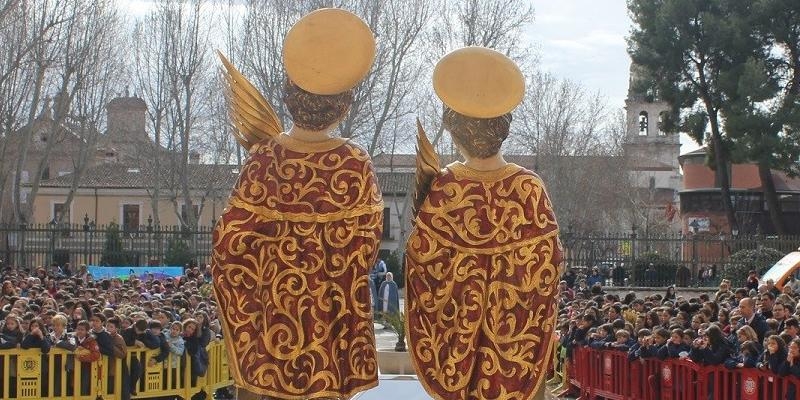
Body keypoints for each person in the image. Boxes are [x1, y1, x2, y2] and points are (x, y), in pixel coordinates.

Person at [212, 8, 381, 400]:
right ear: (343, 106)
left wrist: (271, 270)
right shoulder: (353, 161)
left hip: (274, 318)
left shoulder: (266, 156)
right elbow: (365, 246)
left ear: (289, 98)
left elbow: (229, 243)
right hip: (329, 319)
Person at [406, 46, 561, 400]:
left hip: (457, 343)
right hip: (513, 340)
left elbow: (422, 260)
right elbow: (549, 264)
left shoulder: (447, 186)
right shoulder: (528, 186)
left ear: (455, 131)